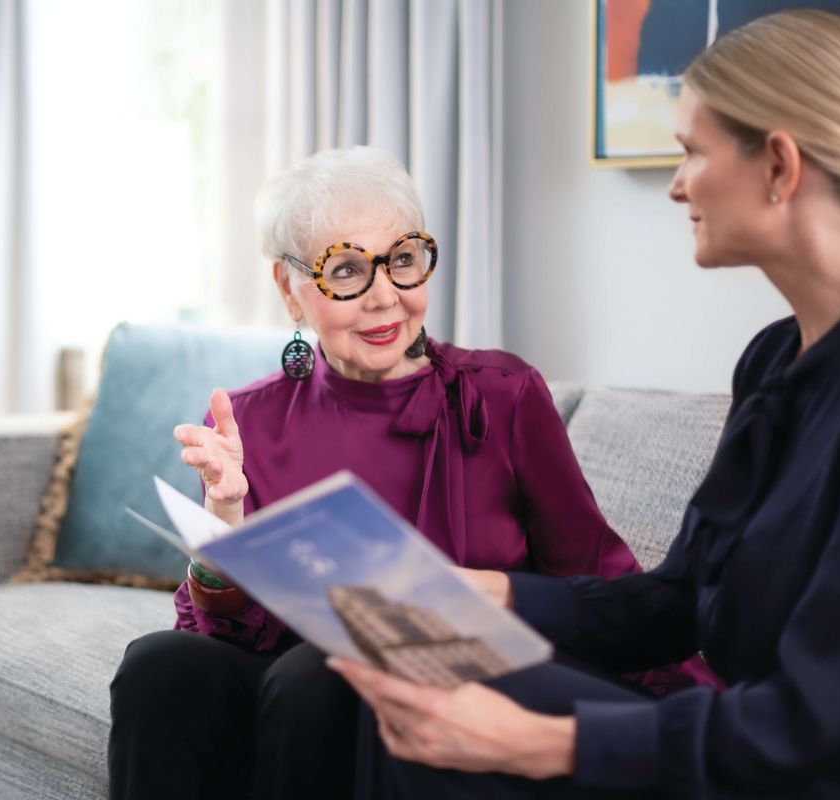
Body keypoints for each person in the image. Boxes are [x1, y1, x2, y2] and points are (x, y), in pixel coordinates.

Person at [328, 9, 840, 799]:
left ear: (779, 166)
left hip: (801, 769)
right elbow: (678, 601)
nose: (677, 184)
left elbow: (817, 725)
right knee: (420, 669)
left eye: (692, 152)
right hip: (748, 744)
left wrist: (545, 742)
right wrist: (484, 591)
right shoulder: (774, 362)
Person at [107, 147, 713, 800]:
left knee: (321, 671)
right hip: (297, 680)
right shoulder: (247, 419)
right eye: (346, 270)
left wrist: (698, 731)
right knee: (160, 664)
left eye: (401, 260)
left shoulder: (503, 395)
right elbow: (214, 634)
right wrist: (223, 527)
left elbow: (595, 576)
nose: (385, 297)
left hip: (462, 679)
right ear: (288, 288)